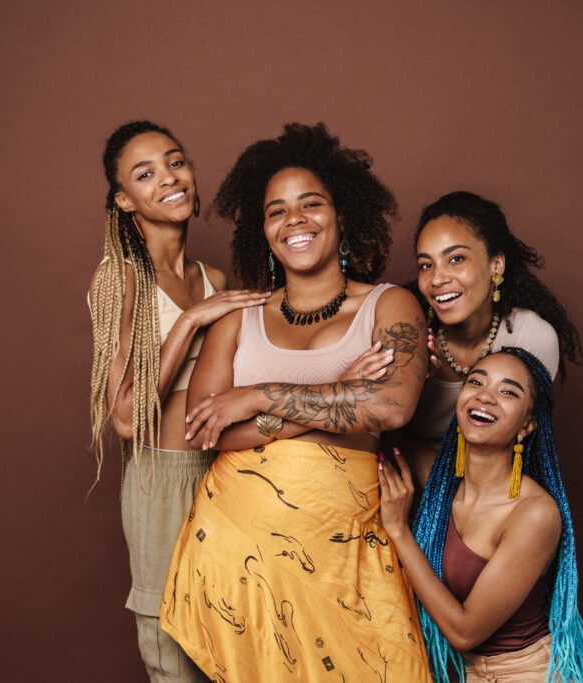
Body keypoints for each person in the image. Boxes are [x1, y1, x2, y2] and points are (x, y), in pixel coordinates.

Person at [161, 123, 434, 681]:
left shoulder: (392, 305)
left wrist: (258, 397)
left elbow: (391, 409)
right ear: (263, 231)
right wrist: (334, 400)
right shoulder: (239, 317)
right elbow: (204, 430)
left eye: (311, 204)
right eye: (276, 211)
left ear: (342, 215)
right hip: (237, 559)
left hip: (342, 561)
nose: (295, 221)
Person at [88, 120, 271, 682]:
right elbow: (125, 417)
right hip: (160, 480)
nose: (169, 179)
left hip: (225, 471)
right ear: (124, 200)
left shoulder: (212, 276)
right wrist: (190, 321)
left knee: (234, 636)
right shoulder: (119, 279)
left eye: (176, 162)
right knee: (172, 648)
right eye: (145, 174)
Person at [378, 348, 583, 683]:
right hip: (475, 675)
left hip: (532, 673)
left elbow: (464, 632)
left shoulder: (534, 514)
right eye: (476, 382)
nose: (486, 397)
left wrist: (399, 531)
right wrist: (409, 375)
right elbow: (373, 429)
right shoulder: (438, 481)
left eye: (508, 392)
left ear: (527, 425)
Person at [392, 191, 583, 488]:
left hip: (485, 504)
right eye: (426, 265)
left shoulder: (528, 336)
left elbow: (507, 463)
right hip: (397, 493)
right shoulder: (404, 330)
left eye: (456, 259)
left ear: (496, 265)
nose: (437, 279)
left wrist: (413, 454)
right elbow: (372, 430)